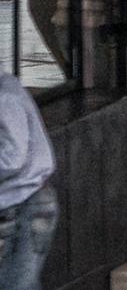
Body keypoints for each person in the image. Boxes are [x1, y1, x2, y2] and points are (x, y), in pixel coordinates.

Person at [0, 71, 54, 290]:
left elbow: (12, 158)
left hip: (25, 204)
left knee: (16, 283)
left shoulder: (5, 96)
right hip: (23, 202)